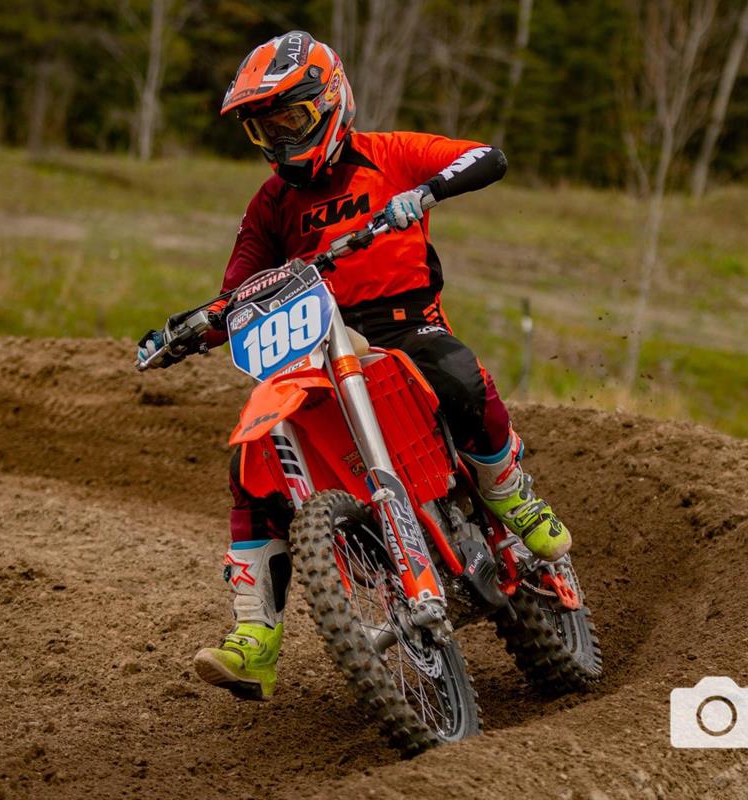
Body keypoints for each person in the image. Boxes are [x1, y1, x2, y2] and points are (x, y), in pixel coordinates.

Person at [137, 31, 571, 701]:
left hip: (403, 326)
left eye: (291, 119)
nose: (281, 139)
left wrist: (425, 193)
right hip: (314, 343)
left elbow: (487, 156)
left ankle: (509, 492)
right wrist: (193, 327)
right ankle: (255, 638)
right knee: (252, 465)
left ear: (330, 101)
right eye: (266, 128)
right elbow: (239, 291)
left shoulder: (389, 154)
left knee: (458, 374)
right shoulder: (270, 205)